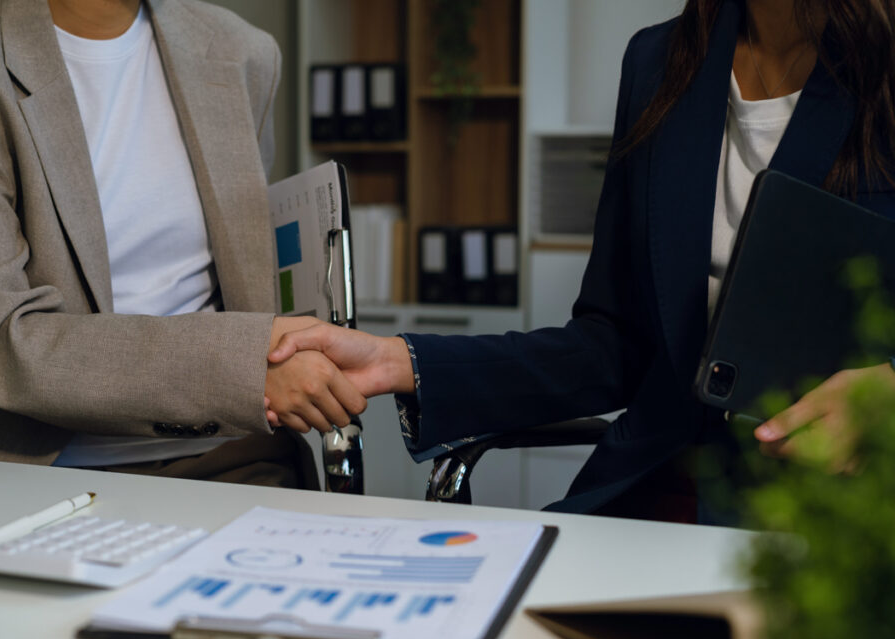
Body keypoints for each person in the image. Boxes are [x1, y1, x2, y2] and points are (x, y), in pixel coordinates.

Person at [268, 0, 895, 521]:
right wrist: (398, 359)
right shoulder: (660, 62)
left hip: (834, 513)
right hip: (656, 492)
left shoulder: (881, 66)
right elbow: (611, 345)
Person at [0, 0, 364, 487]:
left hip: (236, 453)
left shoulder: (241, 51)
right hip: (22, 466)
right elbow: (6, 343)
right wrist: (241, 371)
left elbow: (249, 268)